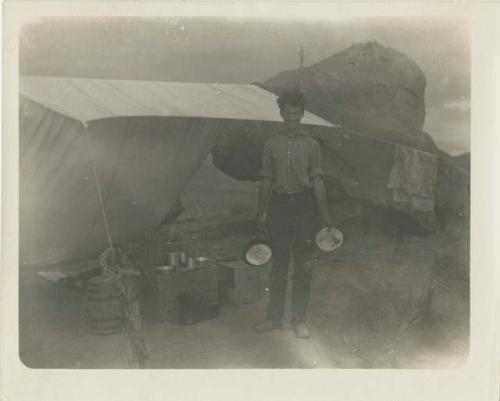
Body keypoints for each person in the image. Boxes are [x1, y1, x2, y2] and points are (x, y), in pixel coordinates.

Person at [254, 90, 335, 339]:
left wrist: (325, 216)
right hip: (278, 207)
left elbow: (318, 182)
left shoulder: (312, 145)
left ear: (302, 115)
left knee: (304, 265)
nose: (291, 118)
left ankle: (299, 319)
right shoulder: (271, 144)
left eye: (296, 114)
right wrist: (261, 214)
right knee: (278, 265)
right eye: (287, 113)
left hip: (304, 208)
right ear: (281, 114)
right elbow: (266, 181)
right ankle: (274, 318)